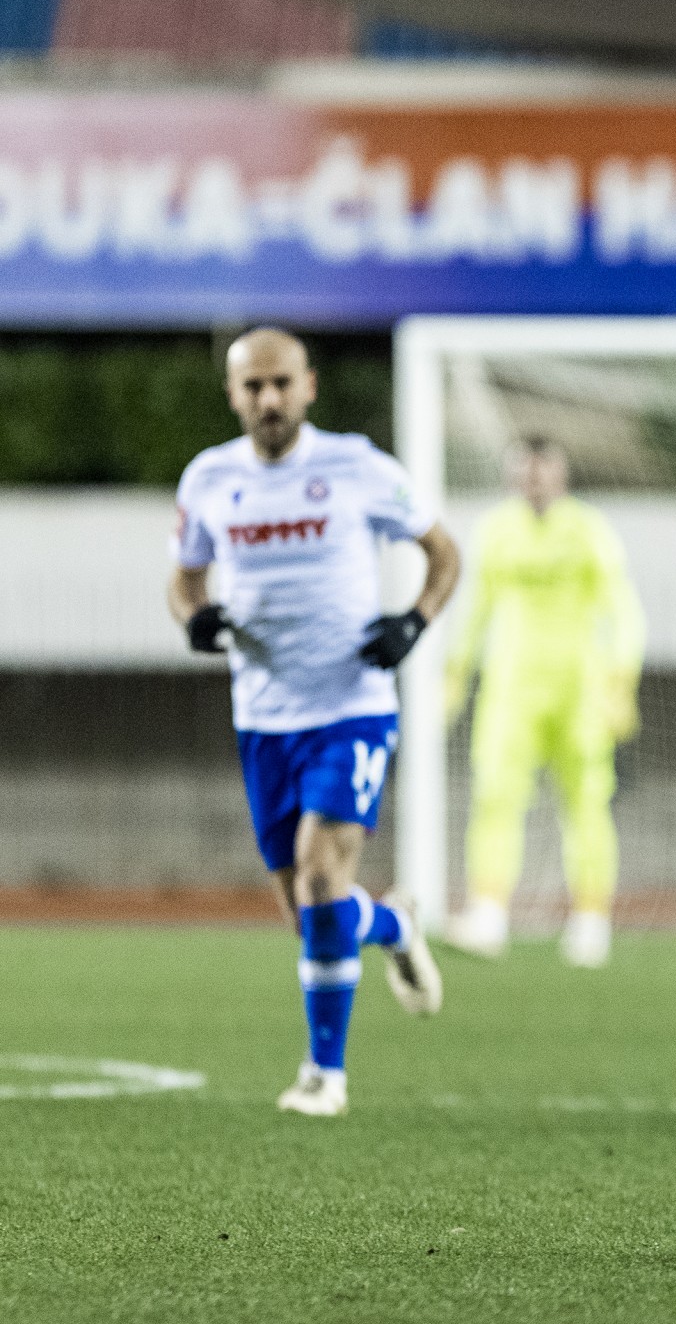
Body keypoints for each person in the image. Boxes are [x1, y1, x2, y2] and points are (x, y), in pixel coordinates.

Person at [169, 327, 460, 1117]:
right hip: (263, 718)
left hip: (351, 706)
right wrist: (193, 619)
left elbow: (445, 553)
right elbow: (185, 580)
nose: (268, 400)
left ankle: (324, 1076)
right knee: (309, 914)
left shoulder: (358, 467)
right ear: (234, 395)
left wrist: (414, 622)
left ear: (310, 387)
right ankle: (392, 923)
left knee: (321, 878)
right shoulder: (209, 479)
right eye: (252, 387)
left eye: (281, 384)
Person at [441, 436, 646, 968]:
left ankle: (590, 920)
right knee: (495, 798)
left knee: (585, 802)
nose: (533, 479)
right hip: (511, 689)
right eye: (523, 470)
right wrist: (455, 674)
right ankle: (488, 914)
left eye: (542, 469)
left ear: (561, 474)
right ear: (511, 475)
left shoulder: (588, 530)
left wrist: (621, 679)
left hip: (579, 688)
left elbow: (623, 609)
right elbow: (476, 609)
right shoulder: (495, 530)